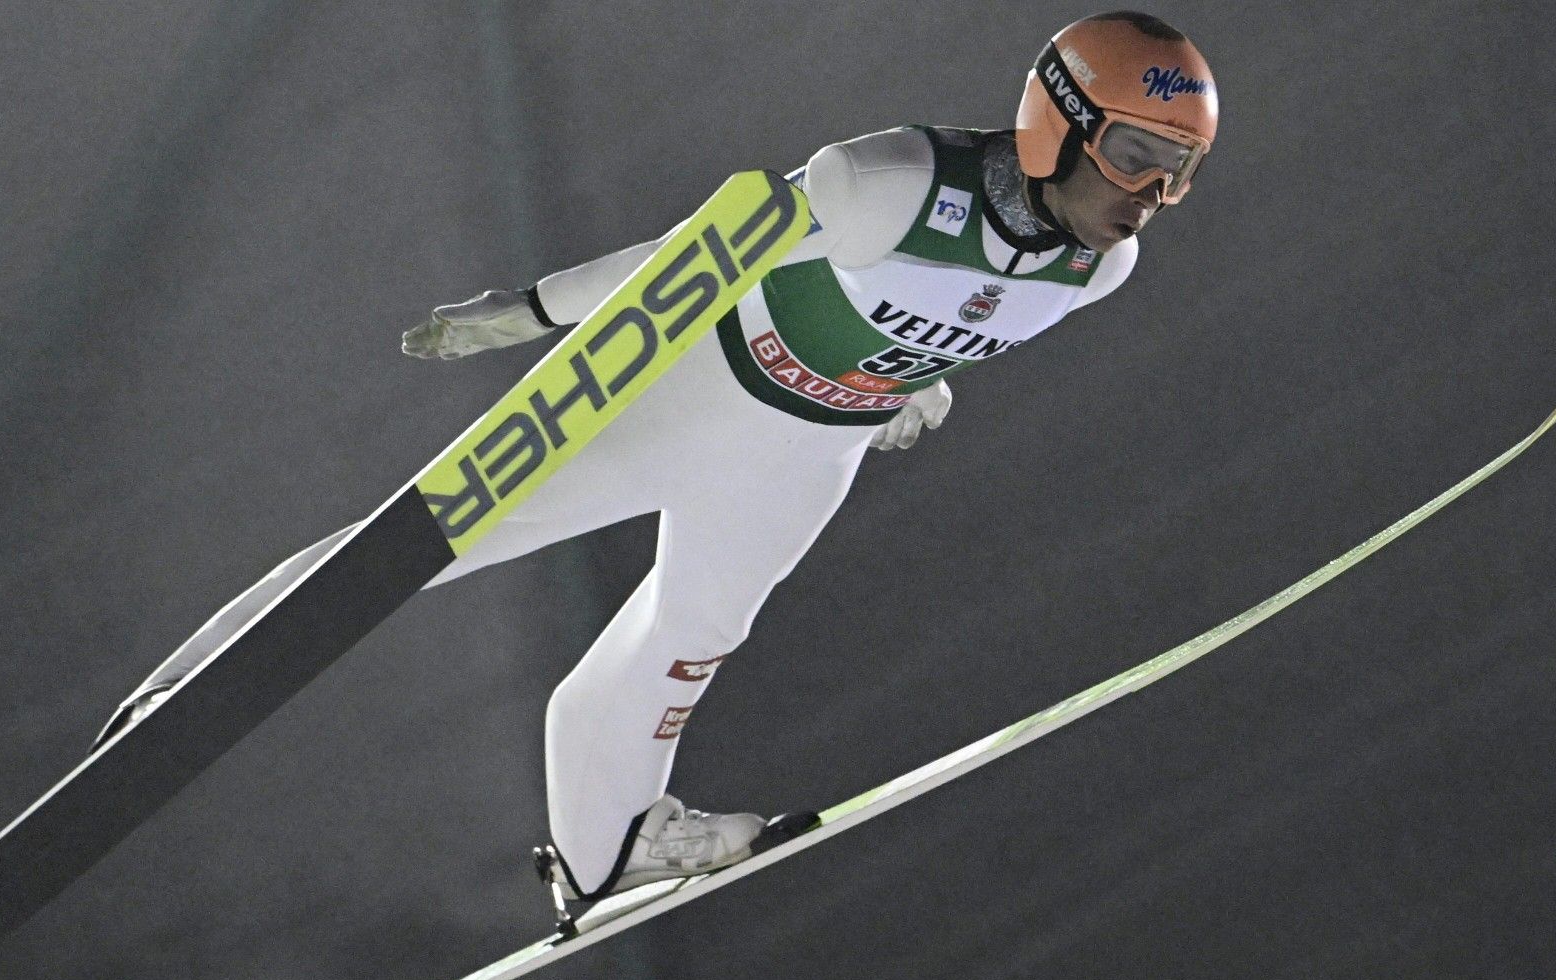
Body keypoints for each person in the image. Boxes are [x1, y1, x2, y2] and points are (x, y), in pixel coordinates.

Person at [99, 11, 1219, 905]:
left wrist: (915, 382)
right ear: (1058, 122)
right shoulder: (883, 184)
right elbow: (696, 258)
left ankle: (607, 849)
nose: (1152, 197)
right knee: (433, 539)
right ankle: (182, 693)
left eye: (1181, 173)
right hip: (696, 393)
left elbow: (957, 313)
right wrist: (535, 312)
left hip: (807, 451)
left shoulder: (1098, 273)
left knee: (693, 637)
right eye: (1136, 156)